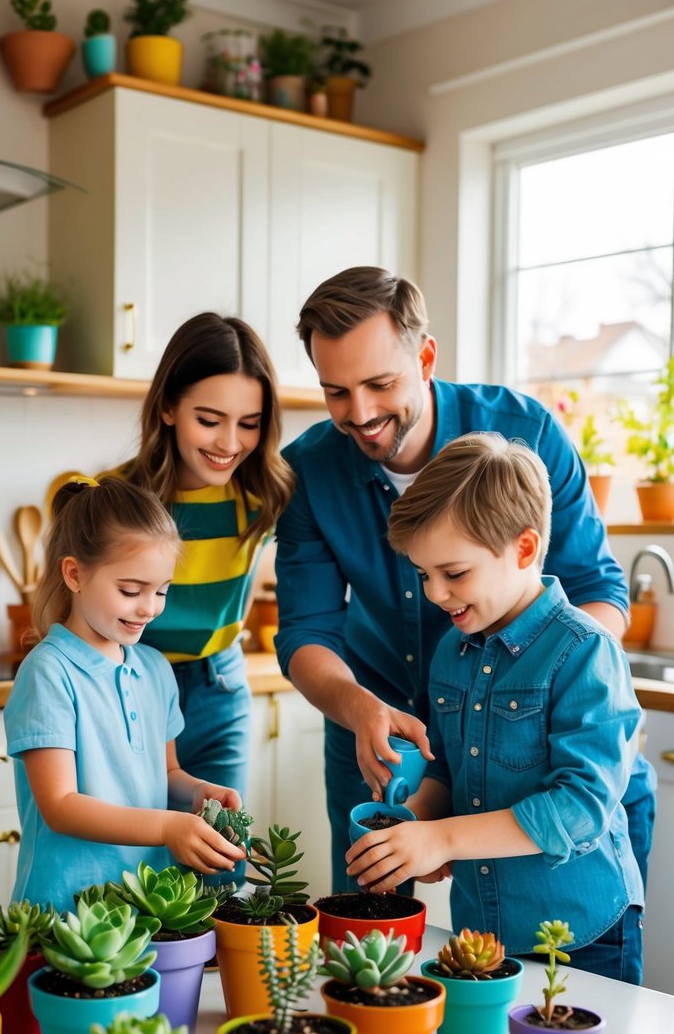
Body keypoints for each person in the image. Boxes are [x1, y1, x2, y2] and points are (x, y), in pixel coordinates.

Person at [274, 265, 655, 894]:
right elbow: (306, 633)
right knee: (385, 946)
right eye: (336, 392)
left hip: (538, 744)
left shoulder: (524, 435)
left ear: (425, 357)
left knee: (581, 962)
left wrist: (548, 696)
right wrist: (359, 707)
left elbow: (598, 591)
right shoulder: (311, 471)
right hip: (382, 742)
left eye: (380, 383)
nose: (360, 413)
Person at [346, 433, 644, 983]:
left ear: (524, 549)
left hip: (583, 933)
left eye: (453, 573)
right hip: (482, 931)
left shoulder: (584, 651)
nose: (436, 593)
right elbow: (448, 770)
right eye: (423, 575)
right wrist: (414, 829)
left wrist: (445, 838)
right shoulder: (452, 652)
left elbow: (579, 806)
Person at [5, 476, 246, 913]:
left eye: (162, 591)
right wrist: (167, 828)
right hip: (64, 910)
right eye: (131, 591)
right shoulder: (48, 672)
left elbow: (167, 771)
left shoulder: (155, 670)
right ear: (75, 574)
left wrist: (197, 792)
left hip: (146, 905)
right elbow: (60, 806)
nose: (149, 608)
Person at [113, 313, 294, 879]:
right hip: (130, 692)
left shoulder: (265, 495)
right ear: (168, 407)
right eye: (210, 420)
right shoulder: (119, 501)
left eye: (249, 423)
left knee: (222, 867)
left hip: (219, 690)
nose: (229, 443)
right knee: (134, 868)